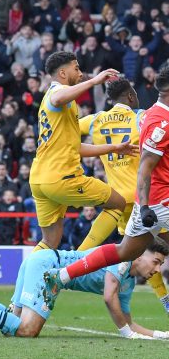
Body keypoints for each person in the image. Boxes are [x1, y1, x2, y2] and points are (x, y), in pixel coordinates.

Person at [42, 65, 169, 307]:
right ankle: (153, 302)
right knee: (142, 253)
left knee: (120, 251)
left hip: (120, 198)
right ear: (131, 96)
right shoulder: (143, 117)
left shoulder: (96, 120)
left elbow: (65, 136)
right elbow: (149, 163)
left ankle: (61, 275)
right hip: (148, 196)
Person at [0, 239, 169, 340]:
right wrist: (126, 334)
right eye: (156, 261)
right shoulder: (121, 260)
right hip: (49, 269)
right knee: (27, 331)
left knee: (12, 326)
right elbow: (110, 298)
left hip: (42, 260)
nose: (157, 269)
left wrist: (160, 335)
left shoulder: (128, 282)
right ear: (139, 253)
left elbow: (128, 322)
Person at [29, 51, 133, 253]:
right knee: (117, 202)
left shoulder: (57, 104)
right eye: (76, 68)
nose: (80, 73)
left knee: (49, 241)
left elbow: (76, 147)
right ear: (62, 72)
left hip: (40, 179)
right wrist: (94, 81)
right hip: (62, 177)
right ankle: (78, 260)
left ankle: (24, 284)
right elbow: (58, 98)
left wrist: (114, 147)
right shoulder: (56, 93)